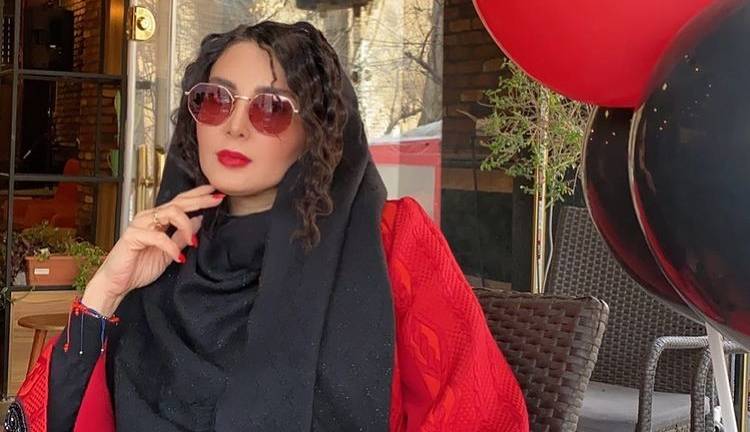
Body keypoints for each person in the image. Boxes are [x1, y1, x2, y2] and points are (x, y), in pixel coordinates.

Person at [4, 21, 528, 432]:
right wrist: (105, 292)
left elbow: (480, 415)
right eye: (216, 100)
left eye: (271, 108)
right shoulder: (167, 253)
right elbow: (54, 418)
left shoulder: (390, 241)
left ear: (315, 131)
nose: (235, 126)